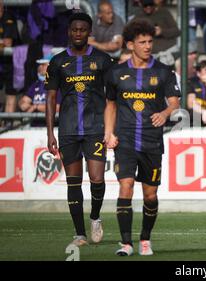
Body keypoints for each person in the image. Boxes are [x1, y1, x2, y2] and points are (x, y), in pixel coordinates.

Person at [104, 19, 180, 256]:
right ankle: (126, 243)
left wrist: (166, 113)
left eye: (150, 41)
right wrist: (109, 132)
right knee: (125, 187)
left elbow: (175, 103)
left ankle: (145, 239)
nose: (148, 46)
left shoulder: (164, 71)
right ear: (129, 44)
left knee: (150, 195)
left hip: (152, 141)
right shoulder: (116, 72)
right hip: (125, 140)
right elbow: (111, 105)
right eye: (142, 42)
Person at [45, 12, 114, 247]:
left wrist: (111, 128)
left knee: (96, 178)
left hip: (95, 128)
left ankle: (95, 217)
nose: (78, 33)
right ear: (69, 32)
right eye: (74, 29)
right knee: (73, 182)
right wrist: (50, 133)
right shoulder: (57, 62)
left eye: (83, 30)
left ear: (89, 32)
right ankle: (80, 234)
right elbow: (51, 98)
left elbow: (111, 97)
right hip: (68, 129)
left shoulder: (103, 60)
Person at [19, 54, 62, 120]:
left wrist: (36, 107)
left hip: (53, 125)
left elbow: (58, 108)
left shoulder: (59, 85)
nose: (40, 67)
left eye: (43, 65)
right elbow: (24, 101)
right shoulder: (36, 84)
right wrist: (23, 104)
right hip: (35, 124)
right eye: (40, 65)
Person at [0, 0, 19, 113]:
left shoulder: (8, 18)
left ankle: (8, 121)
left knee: (10, 93)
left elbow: (8, 43)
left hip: (10, 62)